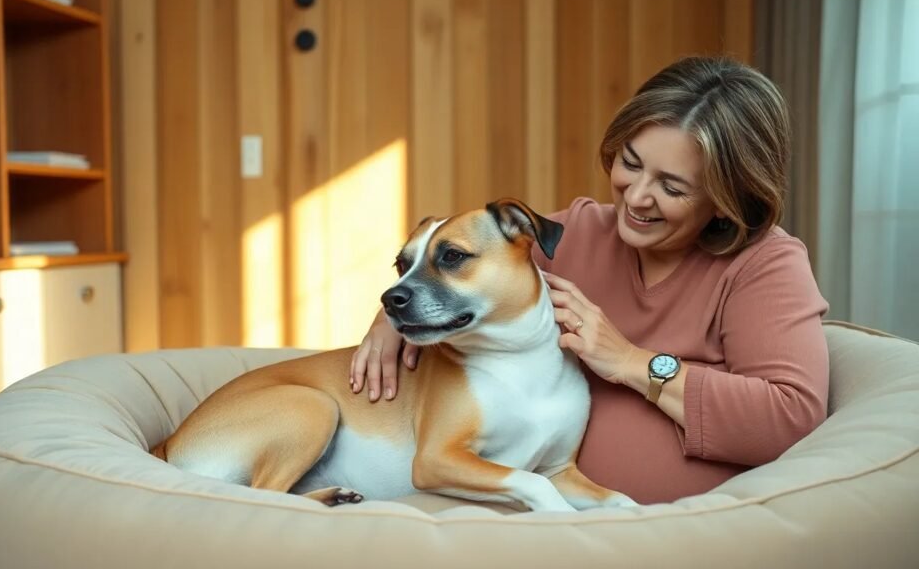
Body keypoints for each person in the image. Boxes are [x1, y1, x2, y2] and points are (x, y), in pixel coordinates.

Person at [348, 56, 830, 504]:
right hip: (527, 512)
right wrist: (392, 314)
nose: (636, 197)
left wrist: (630, 361)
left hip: (676, 528)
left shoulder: (766, 265)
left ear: (728, 198)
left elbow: (788, 418)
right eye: (631, 163)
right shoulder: (578, 232)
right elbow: (463, 257)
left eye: (671, 186)